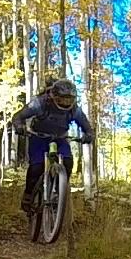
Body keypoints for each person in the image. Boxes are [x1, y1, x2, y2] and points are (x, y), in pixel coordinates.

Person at [12, 78, 94, 212]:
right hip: (38, 136)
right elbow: (18, 116)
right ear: (54, 96)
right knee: (36, 167)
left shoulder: (74, 110)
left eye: (70, 99)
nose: (66, 102)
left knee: (68, 162)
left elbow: (87, 127)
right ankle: (28, 195)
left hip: (60, 138)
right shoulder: (40, 103)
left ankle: (58, 193)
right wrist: (20, 126)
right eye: (63, 99)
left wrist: (89, 135)